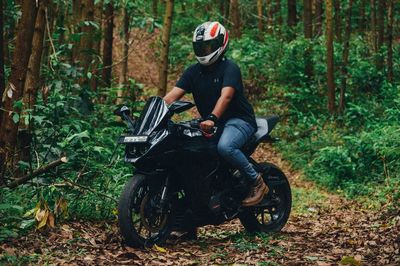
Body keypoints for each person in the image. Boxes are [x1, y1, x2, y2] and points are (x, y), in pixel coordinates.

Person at [164, 21, 268, 207]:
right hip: (212, 123)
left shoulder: (229, 69)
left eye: (209, 46)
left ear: (220, 44)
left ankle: (257, 181)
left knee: (225, 147)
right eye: (201, 46)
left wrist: (212, 118)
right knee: (186, 150)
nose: (204, 50)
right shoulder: (193, 71)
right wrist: (150, 113)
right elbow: (171, 97)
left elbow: (226, 97)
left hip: (239, 121)